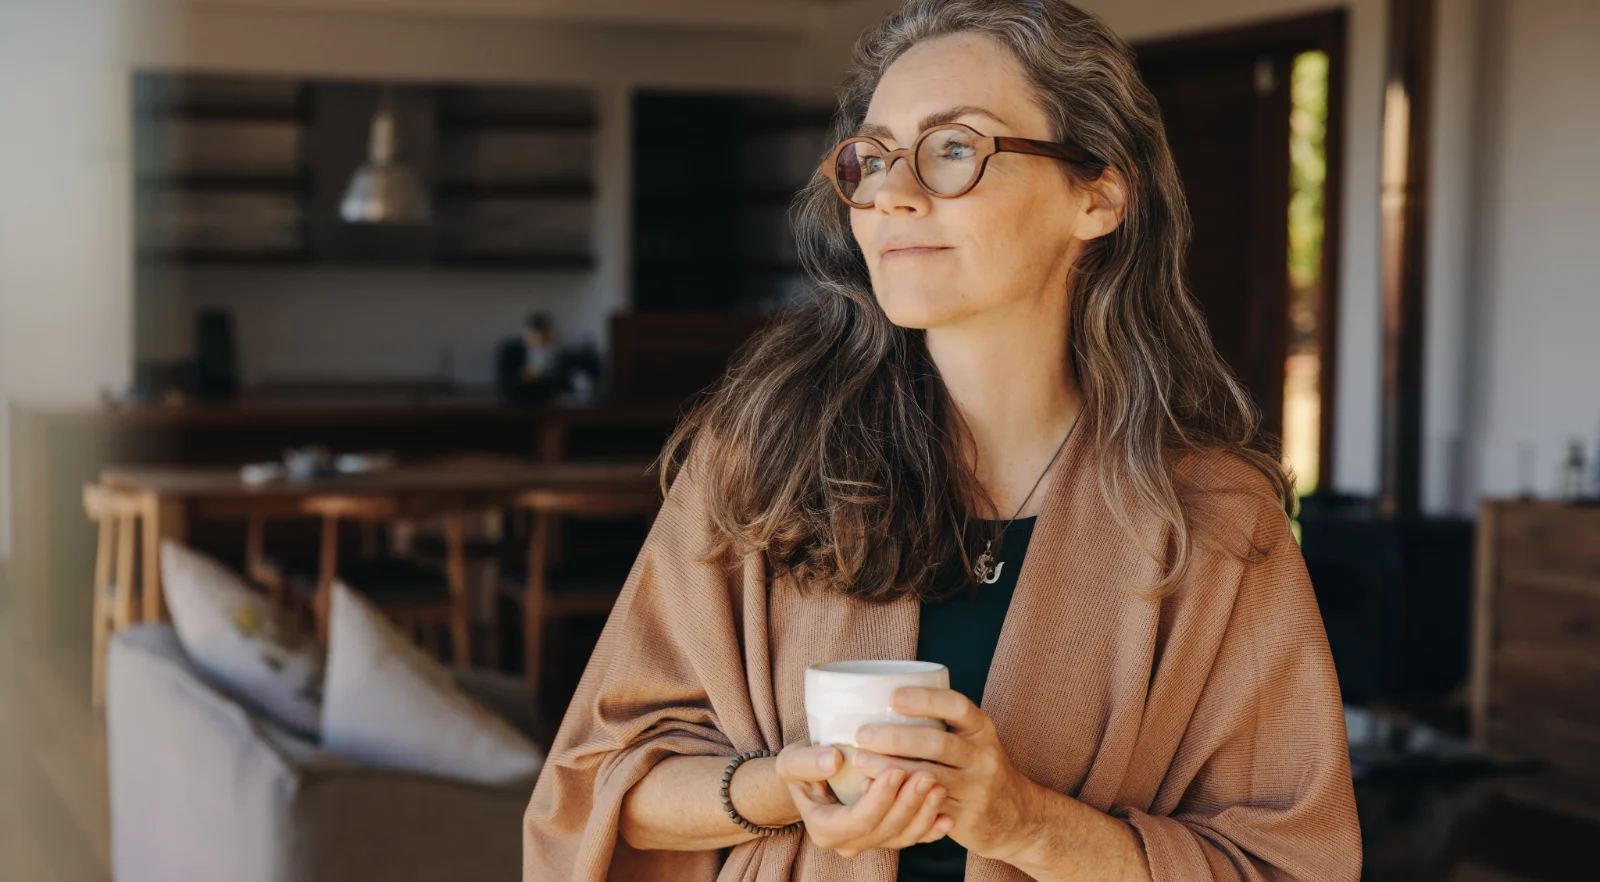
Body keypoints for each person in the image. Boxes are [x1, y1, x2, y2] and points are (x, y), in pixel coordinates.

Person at [523, 1, 1361, 880]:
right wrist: (782, 788)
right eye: (872, 156)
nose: (891, 191)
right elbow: (598, 787)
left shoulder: (1214, 519)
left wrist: (1023, 822)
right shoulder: (762, 458)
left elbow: (1284, 864)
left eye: (954, 148)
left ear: (1099, 195)